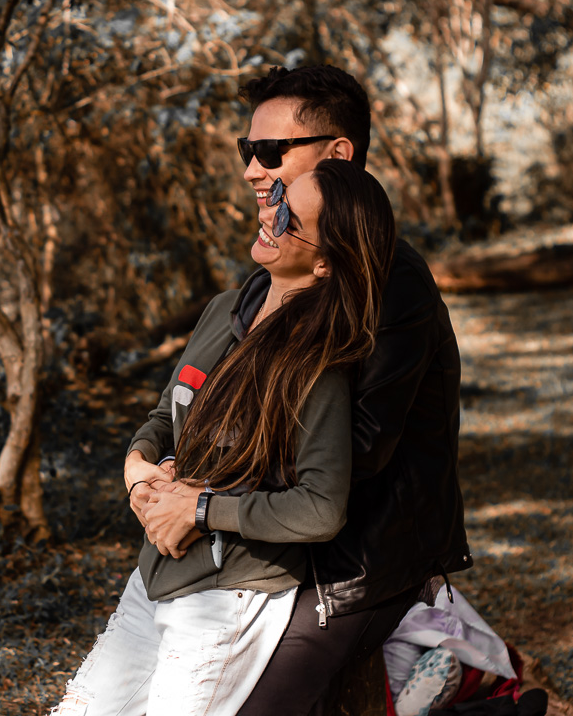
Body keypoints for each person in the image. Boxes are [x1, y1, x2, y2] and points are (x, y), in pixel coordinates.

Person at [127, 65, 473, 716]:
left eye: (270, 152)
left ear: (338, 154)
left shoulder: (390, 279)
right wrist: (173, 472)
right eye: (246, 152)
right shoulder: (266, 277)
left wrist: (200, 496)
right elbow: (217, 407)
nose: (252, 170)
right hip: (272, 544)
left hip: (353, 564)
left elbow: (360, 451)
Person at [52, 159, 398, 716]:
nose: (271, 213)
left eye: (292, 218)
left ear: (327, 262)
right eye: (279, 197)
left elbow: (321, 508)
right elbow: (167, 413)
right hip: (152, 576)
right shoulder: (221, 311)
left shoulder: (316, 367)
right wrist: (139, 469)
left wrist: (201, 508)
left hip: (228, 598)